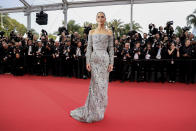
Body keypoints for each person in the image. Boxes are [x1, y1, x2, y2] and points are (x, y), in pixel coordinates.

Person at [69, 11, 114, 123]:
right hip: (94, 59)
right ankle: (92, 110)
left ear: (105, 19)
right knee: (95, 85)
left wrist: (111, 63)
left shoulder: (109, 32)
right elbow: (89, 48)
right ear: (96, 19)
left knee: (103, 86)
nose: (100, 18)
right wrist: (87, 61)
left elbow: (111, 49)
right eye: (98, 16)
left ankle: (99, 110)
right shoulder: (91, 32)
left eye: (102, 16)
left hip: (104, 59)